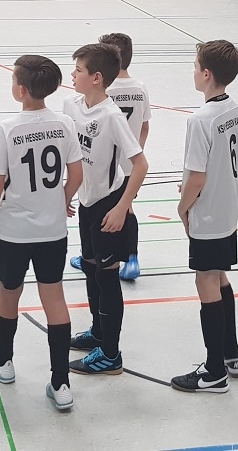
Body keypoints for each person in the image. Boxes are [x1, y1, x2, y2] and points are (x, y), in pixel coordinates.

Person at [0, 56, 83, 411]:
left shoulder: (8, 129)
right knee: (54, 299)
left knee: (8, 294)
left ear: (21, 90)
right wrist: (62, 201)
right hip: (52, 231)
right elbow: (76, 175)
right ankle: (61, 383)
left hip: (14, 232)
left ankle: (4, 363)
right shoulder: (66, 123)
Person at [63, 43, 149, 376]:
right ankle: (98, 333)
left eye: (78, 70)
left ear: (97, 78)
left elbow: (140, 165)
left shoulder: (111, 116)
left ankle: (111, 355)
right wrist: (68, 193)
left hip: (108, 205)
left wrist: (122, 207)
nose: (72, 75)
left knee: (107, 276)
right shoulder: (71, 106)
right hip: (86, 202)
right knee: (89, 266)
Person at [171, 41, 238, 393]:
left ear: (205, 74)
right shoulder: (235, 111)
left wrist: (183, 206)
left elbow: (198, 178)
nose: (192, 72)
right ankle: (231, 353)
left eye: (194, 66)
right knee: (219, 276)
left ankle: (214, 371)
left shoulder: (200, 120)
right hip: (229, 209)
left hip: (208, 213)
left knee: (205, 281)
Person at [71, 33, 151, 281]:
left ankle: (112, 259)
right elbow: (145, 126)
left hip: (111, 162)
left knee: (118, 211)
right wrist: (137, 147)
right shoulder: (140, 88)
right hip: (127, 158)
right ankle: (132, 256)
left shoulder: (107, 95)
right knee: (128, 209)